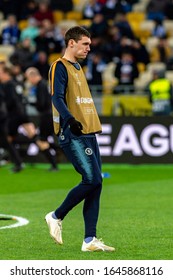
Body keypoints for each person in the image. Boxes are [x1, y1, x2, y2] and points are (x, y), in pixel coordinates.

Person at [45, 26, 115, 252]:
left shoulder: (78, 68)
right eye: (85, 44)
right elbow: (56, 97)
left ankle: (89, 240)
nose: (89, 48)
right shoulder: (59, 66)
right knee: (92, 179)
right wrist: (70, 120)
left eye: (89, 44)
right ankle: (56, 216)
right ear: (71, 43)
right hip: (72, 131)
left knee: (97, 184)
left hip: (87, 131)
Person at [25, 67, 58, 171]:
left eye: (28, 78)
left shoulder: (40, 86)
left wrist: (30, 103)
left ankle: (54, 164)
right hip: (50, 115)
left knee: (41, 140)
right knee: (43, 139)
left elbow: (42, 103)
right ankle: (58, 154)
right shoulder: (44, 84)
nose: (29, 81)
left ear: (33, 76)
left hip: (46, 116)